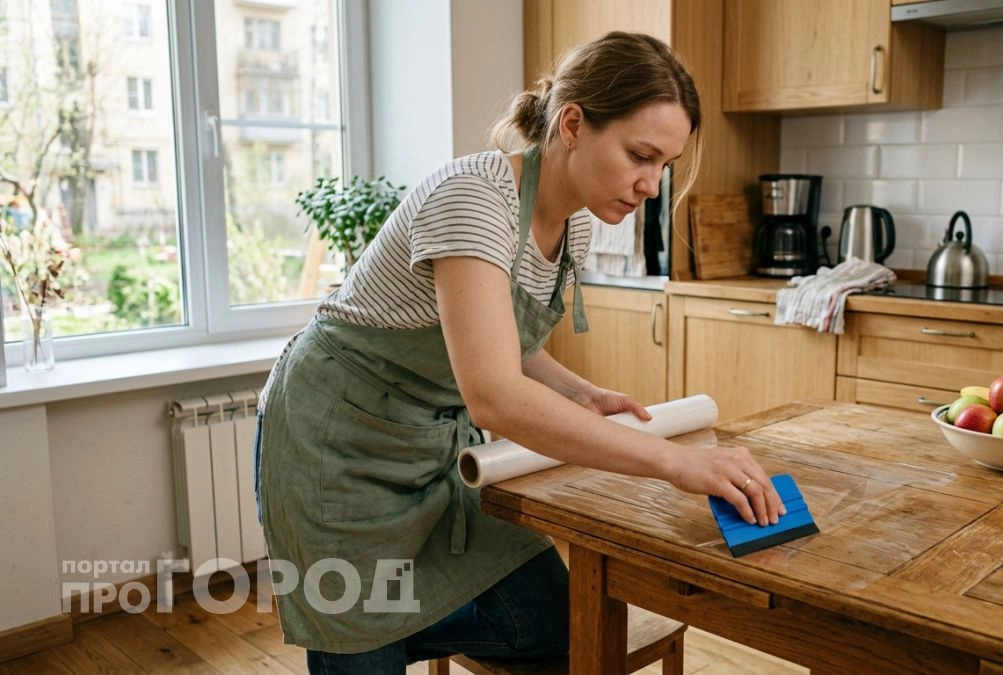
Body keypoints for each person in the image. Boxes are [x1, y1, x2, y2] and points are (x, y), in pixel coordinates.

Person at [255, 30, 786, 674]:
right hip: (335, 444)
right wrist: (675, 463)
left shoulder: (579, 224)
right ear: (572, 123)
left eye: (663, 166)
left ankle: (383, 631)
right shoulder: (476, 198)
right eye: (640, 155)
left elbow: (499, 339)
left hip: (431, 453)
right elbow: (496, 395)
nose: (651, 185)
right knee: (358, 644)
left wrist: (578, 392)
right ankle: (362, 639)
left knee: (552, 626)